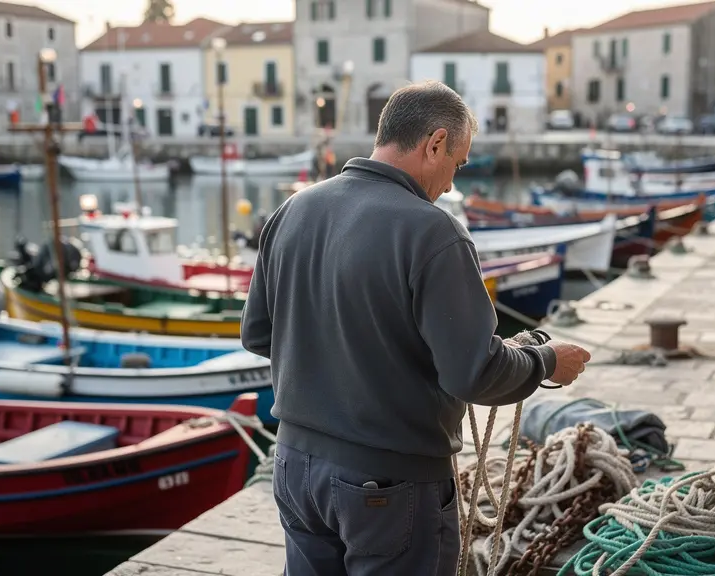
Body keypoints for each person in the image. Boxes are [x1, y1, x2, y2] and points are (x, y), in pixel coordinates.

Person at [240, 80, 591, 575]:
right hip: (388, 484)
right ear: (436, 143)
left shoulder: (293, 210)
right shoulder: (433, 232)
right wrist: (547, 359)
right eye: (458, 163)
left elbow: (258, 335)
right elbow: (475, 374)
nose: (451, 183)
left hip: (296, 466)